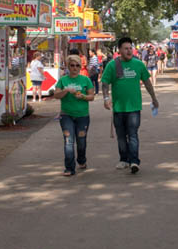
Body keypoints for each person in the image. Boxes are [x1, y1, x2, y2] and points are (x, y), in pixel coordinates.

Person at [101, 36, 159, 174]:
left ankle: (134, 161)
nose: (129, 51)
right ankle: (124, 159)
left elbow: (147, 83)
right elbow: (105, 83)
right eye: (125, 48)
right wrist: (106, 98)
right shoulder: (112, 65)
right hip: (119, 107)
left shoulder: (138, 64)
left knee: (132, 134)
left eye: (130, 48)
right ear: (119, 50)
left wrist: (154, 98)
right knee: (121, 135)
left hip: (134, 107)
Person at [54, 54, 95, 176]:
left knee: (81, 141)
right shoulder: (63, 80)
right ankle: (69, 168)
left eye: (78, 65)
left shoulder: (85, 80)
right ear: (68, 67)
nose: (75, 68)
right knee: (68, 141)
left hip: (82, 115)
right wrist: (66, 90)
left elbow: (91, 97)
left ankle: (81, 160)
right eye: (72, 65)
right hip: (66, 115)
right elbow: (56, 95)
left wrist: (83, 96)